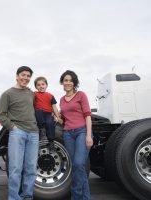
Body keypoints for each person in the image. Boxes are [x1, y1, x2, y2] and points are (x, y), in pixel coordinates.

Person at [0, 66, 39, 200]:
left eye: (28, 76)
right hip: (18, 133)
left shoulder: (31, 93)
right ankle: (14, 197)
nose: (25, 78)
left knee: (31, 168)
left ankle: (27, 196)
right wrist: (13, 127)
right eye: (23, 75)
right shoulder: (7, 94)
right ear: (17, 76)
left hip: (33, 133)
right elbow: (0, 115)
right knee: (15, 168)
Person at [59, 70, 94, 200]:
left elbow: (87, 115)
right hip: (68, 133)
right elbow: (64, 118)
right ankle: (86, 197)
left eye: (70, 80)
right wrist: (57, 117)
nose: (68, 83)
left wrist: (89, 135)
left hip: (82, 132)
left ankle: (76, 196)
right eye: (65, 80)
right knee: (76, 166)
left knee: (79, 163)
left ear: (74, 83)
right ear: (62, 82)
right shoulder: (62, 100)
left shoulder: (81, 95)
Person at [34, 76, 63, 150]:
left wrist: (58, 117)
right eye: (38, 85)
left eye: (43, 84)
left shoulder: (50, 96)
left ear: (46, 85)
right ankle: (42, 130)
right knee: (38, 111)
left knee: (50, 123)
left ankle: (51, 141)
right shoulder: (34, 94)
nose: (41, 86)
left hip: (48, 114)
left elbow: (54, 107)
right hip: (38, 114)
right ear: (36, 87)